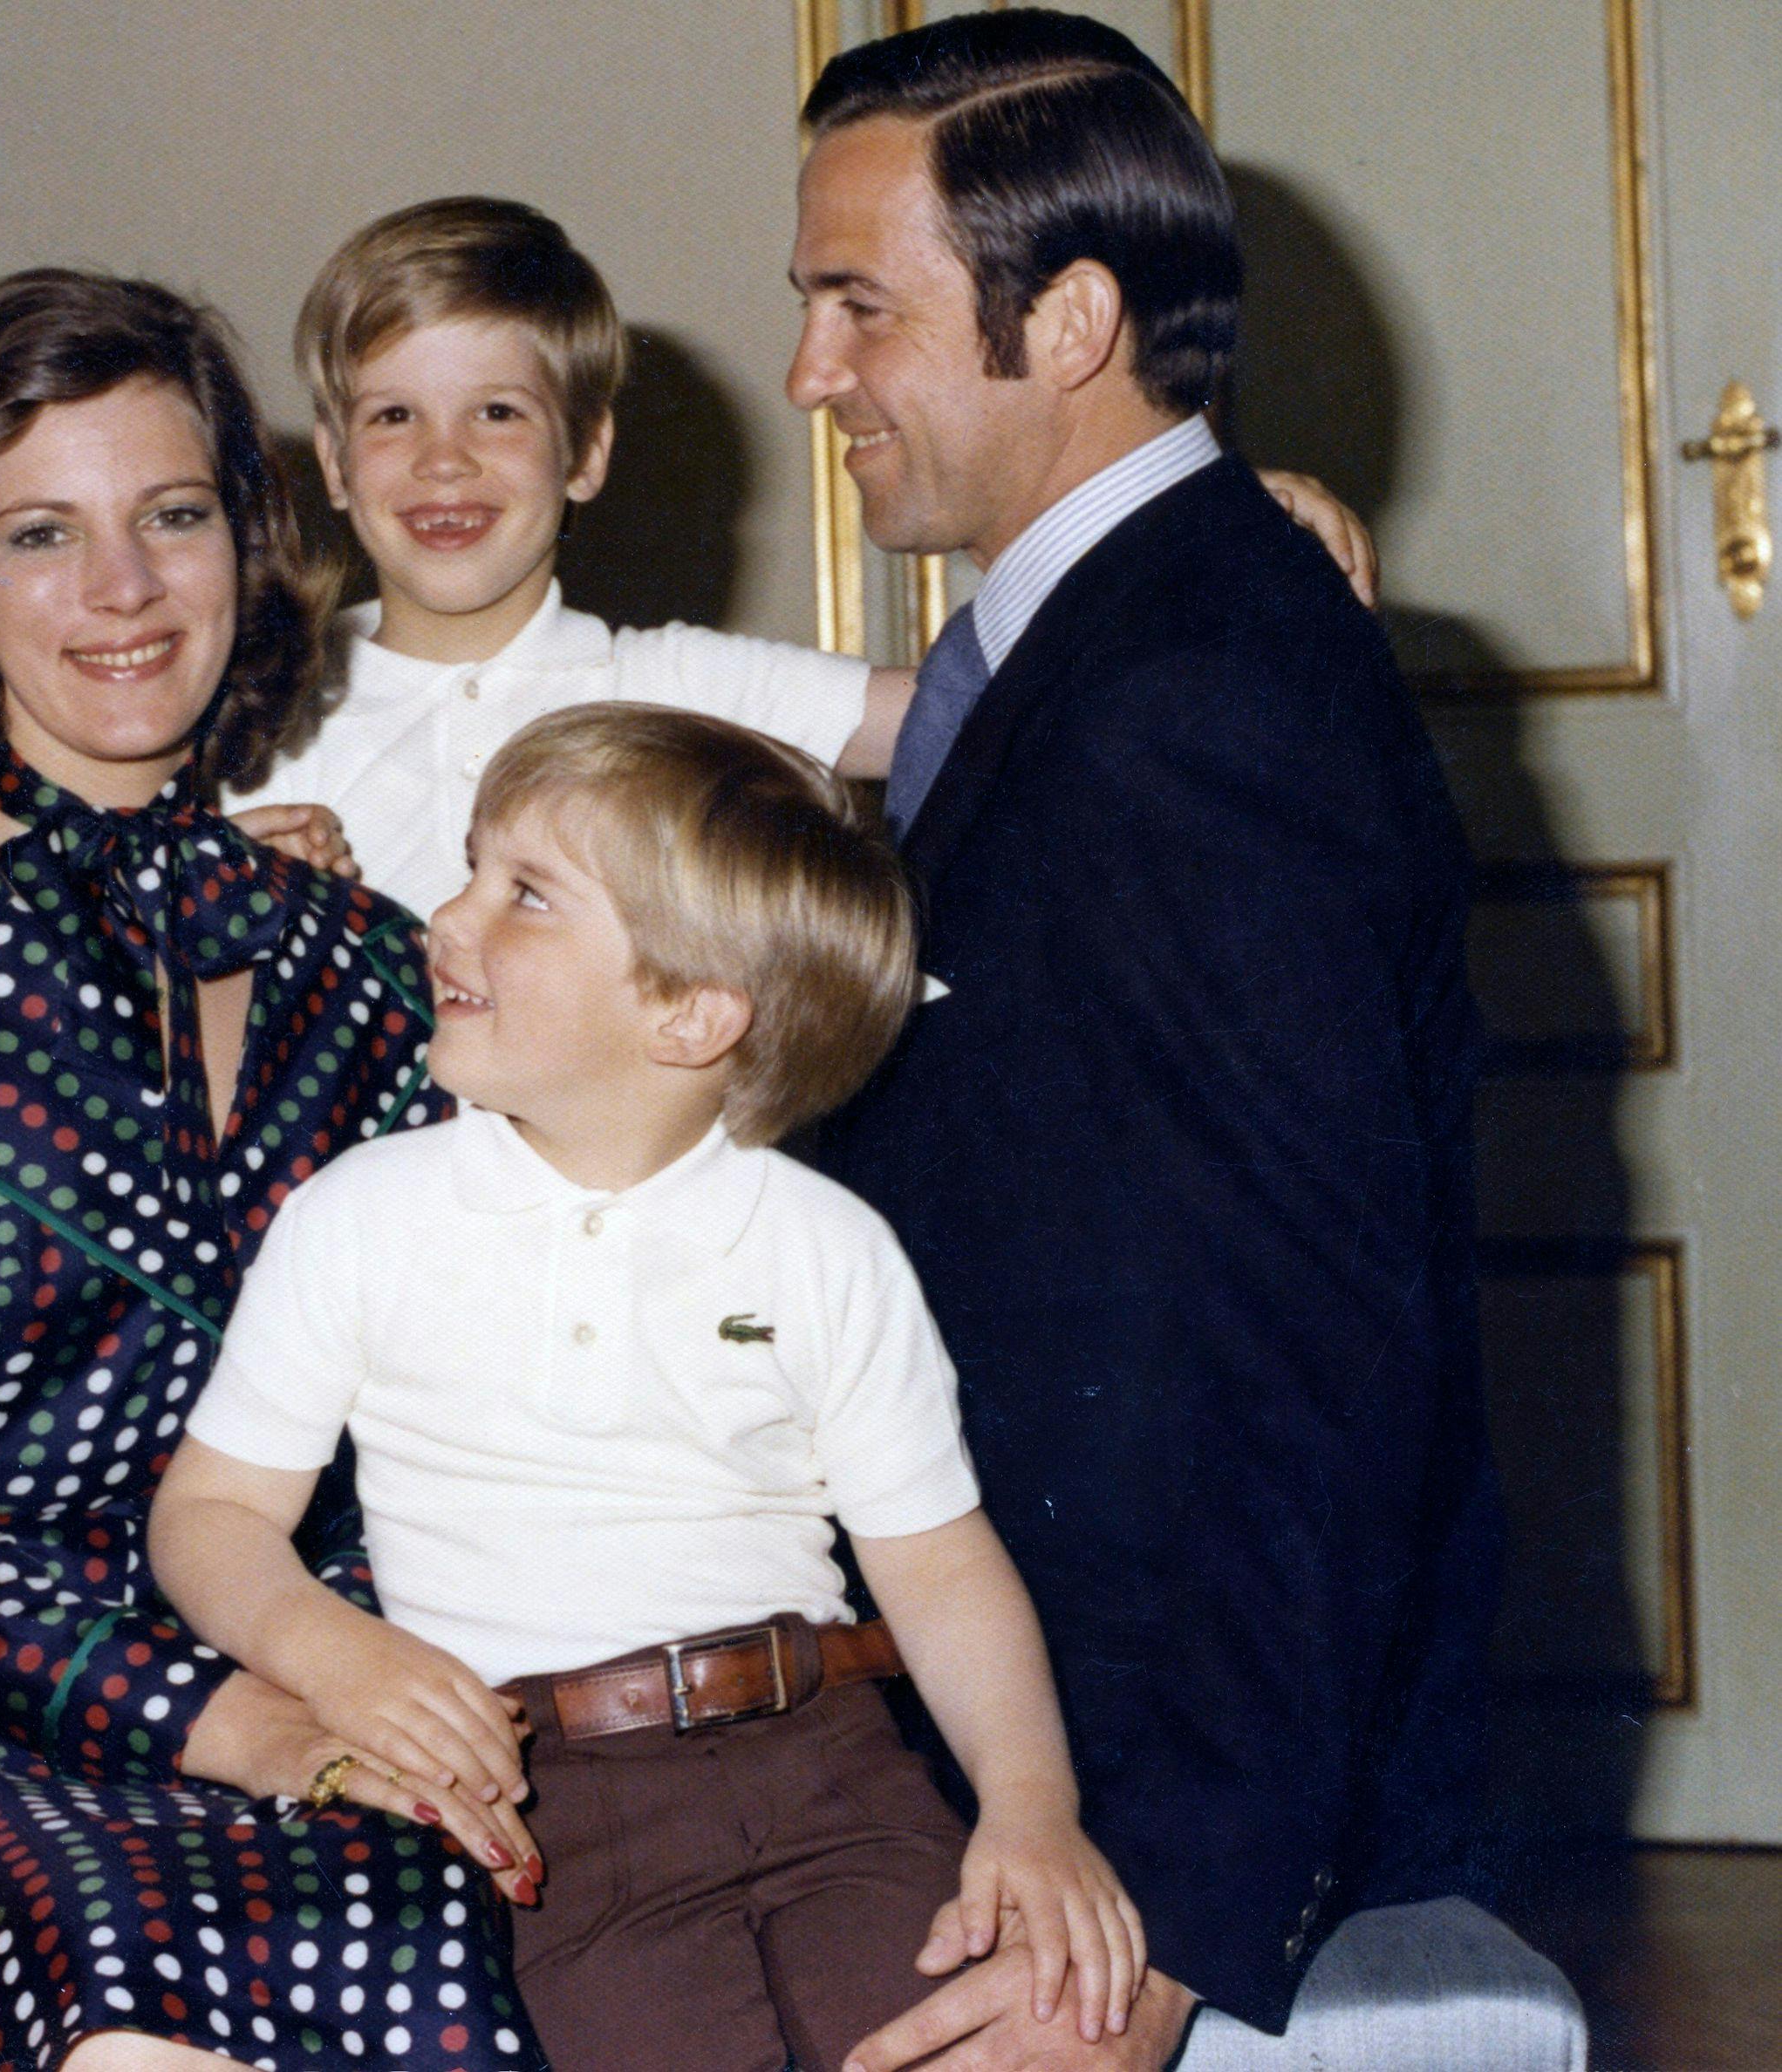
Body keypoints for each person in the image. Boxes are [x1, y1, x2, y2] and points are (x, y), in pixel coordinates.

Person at [782, 13, 1584, 2069]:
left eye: (856, 307)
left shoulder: (1194, 694)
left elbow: (1304, 1355)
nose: (813, 374)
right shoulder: (1125, 623)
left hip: (1154, 1796)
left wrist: (1151, 1919)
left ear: (1065, 320)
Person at [0, 269, 541, 2072]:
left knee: (531, 1936)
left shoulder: (367, 959)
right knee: (119, 1990)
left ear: (246, 542)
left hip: (336, 1670)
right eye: (37, 534)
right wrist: (223, 1715)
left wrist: (361, 1683)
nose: (121, 591)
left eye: (170, 516)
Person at [155, 703, 1152, 2072]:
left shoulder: (825, 1246)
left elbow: (936, 1562)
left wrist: (1028, 1811)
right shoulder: (360, 1217)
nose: (444, 917)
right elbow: (207, 1516)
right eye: (468, 867)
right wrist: (340, 1652)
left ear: (688, 1015)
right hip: (547, 1803)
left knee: (949, 2044)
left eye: (523, 895)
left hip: (833, 1770)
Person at [222, 195, 1376, 921]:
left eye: (497, 416)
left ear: (585, 452)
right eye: (391, 420)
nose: (443, 463)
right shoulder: (251, 711)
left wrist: (1178, 524)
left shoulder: (671, 684)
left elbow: (984, 707)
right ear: (330, 461)